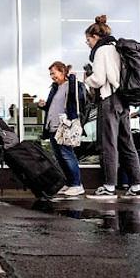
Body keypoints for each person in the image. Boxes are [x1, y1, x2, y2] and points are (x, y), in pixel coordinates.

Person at [82, 15, 140, 199]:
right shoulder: (117, 48)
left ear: (95, 37)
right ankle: (136, 185)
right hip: (123, 100)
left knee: (108, 143)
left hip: (109, 98)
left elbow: (99, 79)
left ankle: (109, 186)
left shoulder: (102, 51)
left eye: (88, 40)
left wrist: (86, 80)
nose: (87, 44)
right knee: (127, 143)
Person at [38, 61, 86, 197]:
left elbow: (77, 100)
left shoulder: (72, 86)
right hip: (53, 127)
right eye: (50, 74)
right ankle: (70, 183)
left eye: (54, 73)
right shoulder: (55, 88)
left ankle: (77, 184)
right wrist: (44, 106)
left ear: (62, 71)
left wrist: (72, 79)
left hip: (64, 127)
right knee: (60, 157)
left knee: (67, 155)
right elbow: (53, 107)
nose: (52, 76)